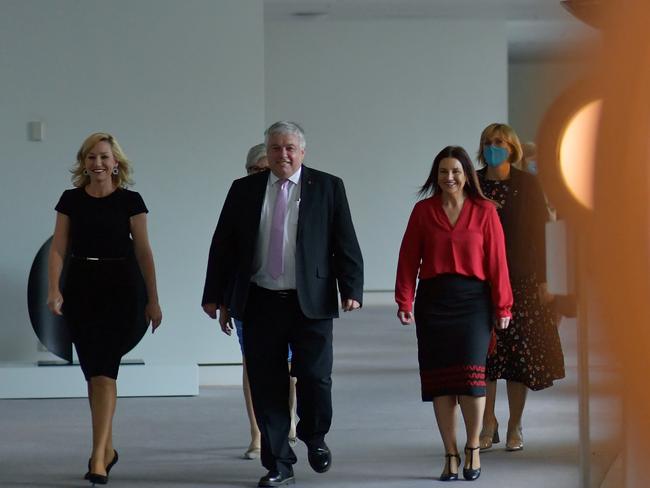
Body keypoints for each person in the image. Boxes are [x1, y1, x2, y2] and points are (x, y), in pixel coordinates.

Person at [202, 121, 363, 487]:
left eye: (290, 148)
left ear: (302, 152)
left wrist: (352, 286)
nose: (283, 154)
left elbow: (345, 241)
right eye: (276, 148)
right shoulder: (244, 190)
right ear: (268, 152)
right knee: (266, 383)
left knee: (315, 377)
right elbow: (223, 246)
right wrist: (215, 295)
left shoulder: (327, 187)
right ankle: (278, 463)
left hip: (311, 301)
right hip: (260, 300)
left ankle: (315, 436)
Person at [47, 132, 162, 485]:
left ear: (116, 164)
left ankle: (98, 458)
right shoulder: (70, 200)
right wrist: (54, 289)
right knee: (93, 373)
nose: (97, 163)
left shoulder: (131, 201)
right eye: (91, 157)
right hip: (81, 287)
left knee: (104, 373)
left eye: (104, 157)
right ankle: (107, 448)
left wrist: (154, 299)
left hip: (122, 289)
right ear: (84, 162)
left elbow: (144, 251)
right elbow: (57, 249)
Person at [395, 145, 512, 482]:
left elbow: (497, 263)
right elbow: (408, 259)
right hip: (433, 302)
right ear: (436, 175)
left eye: (456, 171)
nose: (450, 177)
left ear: (467, 176)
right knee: (442, 383)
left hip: (473, 302)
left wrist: (503, 305)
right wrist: (404, 300)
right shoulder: (423, 212)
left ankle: (473, 446)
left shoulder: (485, 211)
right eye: (444, 172)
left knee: (472, 379)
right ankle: (450, 451)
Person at [476, 123, 565, 452]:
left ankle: (515, 423)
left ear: (511, 147)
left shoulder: (527, 184)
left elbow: (543, 234)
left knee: (517, 356)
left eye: (498, 142)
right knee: (485, 355)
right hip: (481, 279)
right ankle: (488, 422)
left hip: (522, 279)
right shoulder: (475, 183)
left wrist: (547, 279)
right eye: (487, 142)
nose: (492, 146)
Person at [228, 143, 298, 460]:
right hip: (250, 295)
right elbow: (226, 251)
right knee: (251, 363)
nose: (257, 175)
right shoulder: (241, 199)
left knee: (288, 363)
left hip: (289, 296)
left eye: (263, 170)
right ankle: (257, 432)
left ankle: (287, 423)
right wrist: (224, 300)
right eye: (252, 170)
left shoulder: (295, 200)